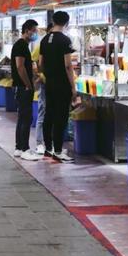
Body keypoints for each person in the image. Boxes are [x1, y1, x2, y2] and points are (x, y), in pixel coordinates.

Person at [39, 11, 76, 163]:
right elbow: (68, 65)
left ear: (53, 21)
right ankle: (59, 151)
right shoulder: (65, 40)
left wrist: (49, 74)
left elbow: (40, 64)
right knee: (61, 117)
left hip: (50, 83)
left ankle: (48, 149)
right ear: (66, 23)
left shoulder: (44, 39)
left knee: (49, 115)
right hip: (62, 84)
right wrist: (73, 87)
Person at [11, 19, 40, 161]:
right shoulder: (21, 45)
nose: (35, 33)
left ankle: (18, 147)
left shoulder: (23, 45)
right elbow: (20, 66)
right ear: (27, 30)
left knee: (22, 117)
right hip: (23, 87)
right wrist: (28, 84)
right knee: (26, 118)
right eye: (34, 30)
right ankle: (24, 149)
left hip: (21, 86)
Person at [32, 23, 54, 155]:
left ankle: (50, 143)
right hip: (45, 83)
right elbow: (34, 62)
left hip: (55, 84)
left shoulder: (58, 43)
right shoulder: (41, 43)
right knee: (42, 112)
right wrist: (40, 76)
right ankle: (40, 143)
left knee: (52, 114)